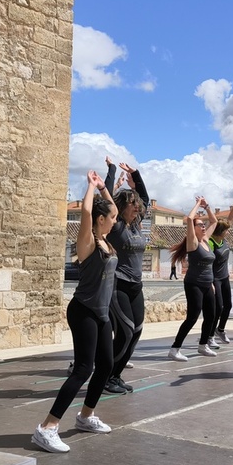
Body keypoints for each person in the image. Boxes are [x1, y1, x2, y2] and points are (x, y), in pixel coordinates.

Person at [31, 170, 117, 453]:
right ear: (100, 220)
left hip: (101, 312)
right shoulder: (88, 241)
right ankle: (47, 428)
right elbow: (87, 211)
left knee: (106, 365)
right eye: (111, 217)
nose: (115, 219)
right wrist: (91, 187)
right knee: (84, 368)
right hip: (83, 311)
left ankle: (86, 416)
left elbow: (111, 208)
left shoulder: (107, 240)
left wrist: (106, 188)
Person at [102, 157, 150, 395]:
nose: (137, 207)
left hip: (136, 286)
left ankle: (115, 375)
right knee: (126, 331)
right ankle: (106, 375)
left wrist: (137, 176)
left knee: (137, 331)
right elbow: (107, 199)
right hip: (118, 284)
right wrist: (111, 171)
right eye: (132, 204)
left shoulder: (136, 225)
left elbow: (146, 201)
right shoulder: (117, 226)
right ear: (122, 207)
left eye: (137, 204)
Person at [167, 197, 219, 361]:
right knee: (193, 317)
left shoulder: (205, 240)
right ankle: (175, 349)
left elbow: (215, 221)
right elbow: (189, 218)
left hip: (207, 284)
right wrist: (197, 204)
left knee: (211, 315)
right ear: (194, 228)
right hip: (193, 284)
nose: (204, 227)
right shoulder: (193, 242)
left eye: (204, 225)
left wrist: (207, 206)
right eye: (200, 225)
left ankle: (203, 345)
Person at [208, 189, 233, 348]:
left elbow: (230, 220)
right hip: (214, 279)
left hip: (225, 277)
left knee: (228, 305)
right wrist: (211, 282)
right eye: (227, 230)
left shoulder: (224, 239)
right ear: (221, 232)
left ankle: (221, 330)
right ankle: (210, 335)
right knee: (218, 307)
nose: (229, 231)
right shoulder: (211, 242)